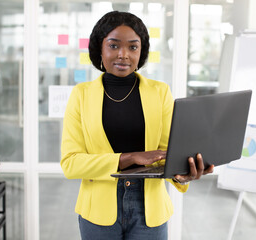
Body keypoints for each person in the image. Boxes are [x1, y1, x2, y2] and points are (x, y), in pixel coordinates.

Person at [60, 11, 214, 240]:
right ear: (99, 49)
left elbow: (166, 156)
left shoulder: (160, 92)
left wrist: (183, 173)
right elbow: (70, 163)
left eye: (133, 47)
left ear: (141, 52)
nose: (123, 55)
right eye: (114, 46)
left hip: (149, 212)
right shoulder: (80, 95)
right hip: (98, 213)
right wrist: (128, 158)